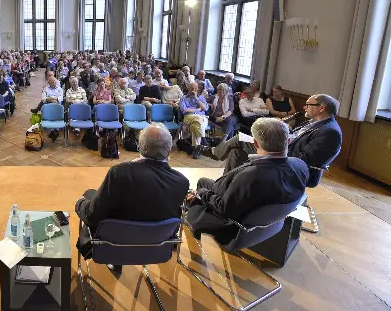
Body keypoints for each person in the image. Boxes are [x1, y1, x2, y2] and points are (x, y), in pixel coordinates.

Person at [75, 126, 189, 269]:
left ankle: (116, 261)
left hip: (115, 245)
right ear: (169, 149)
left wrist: (79, 203)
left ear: (139, 146)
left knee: (89, 195)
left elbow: (92, 216)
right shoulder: (182, 182)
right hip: (155, 249)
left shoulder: (120, 173)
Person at [184, 118, 309, 245]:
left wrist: (202, 193)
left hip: (236, 230)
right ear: (288, 141)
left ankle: (194, 219)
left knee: (201, 186)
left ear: (255, 143)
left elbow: (224, 209)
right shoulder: (300, 165)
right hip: (271, 223)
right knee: (205, 179)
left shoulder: (250, 176)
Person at [198, 94, 343, 174]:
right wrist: (281, 129)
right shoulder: (314, 122)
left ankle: (215, 152)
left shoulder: (330, 133)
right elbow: (295, 137)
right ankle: (227, 185)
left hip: (285, 161)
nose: (305, 107)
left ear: (321, 108)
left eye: (308, 105)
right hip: (281, 151)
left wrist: (276, 145)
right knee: (236, 152)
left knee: (239, 140)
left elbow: (305, 160)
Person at [179, 82, 209, 159]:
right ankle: (203, 140)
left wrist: (196, 98)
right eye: (192, 88)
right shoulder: (183, 98)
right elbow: (185, 110)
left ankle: (197, 148)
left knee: (195, 126)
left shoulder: (201, 98)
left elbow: (205, 108)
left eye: (195, 88)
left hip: (202, 117)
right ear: (188, 89)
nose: (194, 90)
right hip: (189, 117)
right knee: (197, 119)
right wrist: (197, 110)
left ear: (198, 89)